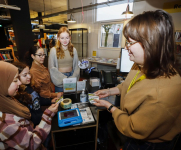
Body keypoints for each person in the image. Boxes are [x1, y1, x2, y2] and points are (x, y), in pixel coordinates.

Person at [93, 10, 181, 150]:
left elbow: (132, 126)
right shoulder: (140, 64)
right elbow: (128, 85)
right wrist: (109, 91)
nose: (126, 47)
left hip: (147, 145)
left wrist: (109, 107)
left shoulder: (163, 91)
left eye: (130, 42)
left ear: (151, 44)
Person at [0, 61, 59, 149]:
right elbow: (31, 145)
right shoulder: (5, 122)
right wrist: (47, 115)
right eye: (15, 80)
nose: (19, 83)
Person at [13, 62, 58, 127]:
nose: (29, 76)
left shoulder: (29, 87)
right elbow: (31, 116)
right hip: (37, 125)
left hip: (42, 118)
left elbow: (38, 99)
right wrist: (48, 112)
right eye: (25, 75)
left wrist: (50, 101)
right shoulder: (19, 96)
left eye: (29, 73)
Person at [48, 27, 80, 92]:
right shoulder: (53, 50)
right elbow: (51, 68)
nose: (65, 40)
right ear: (58, 38)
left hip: (72, 76)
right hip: (59, 79)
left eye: (67, 38)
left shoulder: (74, 50)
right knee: (61, 100)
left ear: (70, 38)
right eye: (62, 38)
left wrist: (72, 78)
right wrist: (64, 79)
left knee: (71, 99)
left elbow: (77, 66)